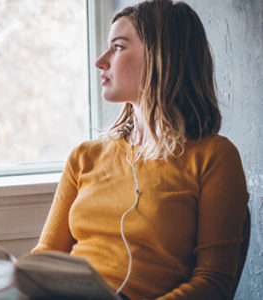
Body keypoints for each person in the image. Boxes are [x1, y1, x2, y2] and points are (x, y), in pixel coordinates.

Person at [31, 0, 249, 299]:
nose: (101, 61)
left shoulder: (214, 157)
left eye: (118, 47)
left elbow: (213, 283)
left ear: (162, 57)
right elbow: (44, 259)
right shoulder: (85, 157)